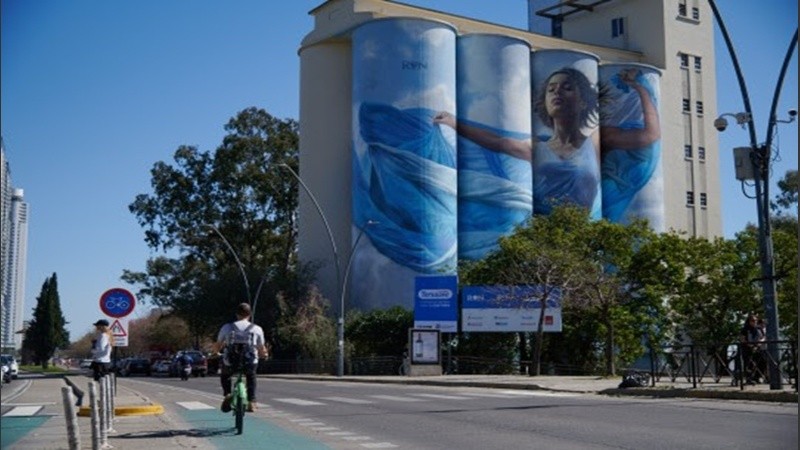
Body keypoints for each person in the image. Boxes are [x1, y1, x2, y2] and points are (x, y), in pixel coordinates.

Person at [434, 67, 601, 217]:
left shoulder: (594, 143)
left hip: (579, 234)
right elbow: (497, 141)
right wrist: (455, 123)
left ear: (583, 102)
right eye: (551, 89)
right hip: (542, 231)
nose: (557, 92)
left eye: (567, 88)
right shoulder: (536, 148)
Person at [213, 302, 268, 413]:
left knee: (225, 375)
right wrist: (264, 355)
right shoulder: (257, 329)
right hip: (249, 362)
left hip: (230, 361)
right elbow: (261, 347)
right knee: (251, 377)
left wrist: (215, 352)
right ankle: (252, 401)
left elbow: (218, 344)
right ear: (249, 315)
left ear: (237, 314)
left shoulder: (227, 327)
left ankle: (227, 394)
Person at [739, 313, 765, 385]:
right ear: (749, 321)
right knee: (749, 364)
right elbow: (742, 338)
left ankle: (757, 377)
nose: (755, 322)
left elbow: (763, 337)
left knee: (762, 362)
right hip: (747, 349)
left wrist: (760, 342)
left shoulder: (759, 329)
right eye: (753, 320)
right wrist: (749, 345)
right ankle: (749, 379)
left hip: (758, 348)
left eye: (756, 320)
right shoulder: (745, 329)